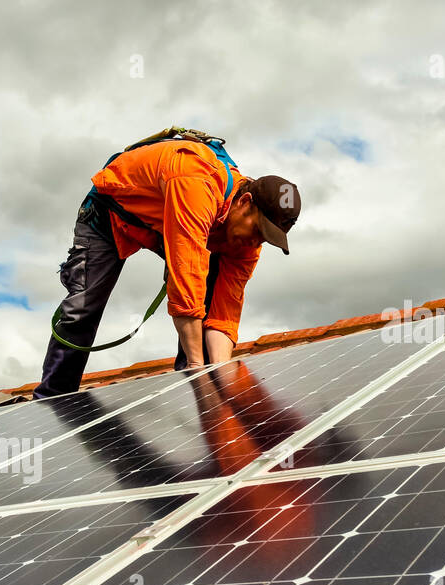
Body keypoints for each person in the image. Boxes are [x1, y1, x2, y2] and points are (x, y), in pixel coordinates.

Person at [34, 134, 300, 399]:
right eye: (257, 230)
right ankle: (52, 400)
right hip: (110, 215)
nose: (256, 242)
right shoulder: (196, 183)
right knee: (83, 309)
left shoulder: (247, 242)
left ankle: (203, 406)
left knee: (209, 312)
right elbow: (186, 277)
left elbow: (225, 313)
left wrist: (221, 376)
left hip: (164, 225)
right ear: (245, 202)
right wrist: (198, 368)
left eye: (265, 238)